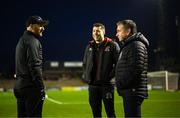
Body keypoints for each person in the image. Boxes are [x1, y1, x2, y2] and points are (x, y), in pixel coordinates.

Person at [14, 15, 49, 117]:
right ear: (32, 26)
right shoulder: (33, 41)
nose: (43, 28)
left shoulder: (22, 40)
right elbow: (35, 66)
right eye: (41, 25)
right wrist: (41, 88)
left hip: (20, 86)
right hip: (31, 88)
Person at [83, 23, 120, 118]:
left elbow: (119, 64)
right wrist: (86, 77)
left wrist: (109, 77)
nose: (95, 33)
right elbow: (85, 64)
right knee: (96, 113)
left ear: (103, 31)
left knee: (110, 113)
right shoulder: (89, 46)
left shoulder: (112, 45)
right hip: (93, 86)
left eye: (98, 31)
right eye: (94, 31)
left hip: (106, 86)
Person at [115, 20, 149, 118]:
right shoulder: (129, 45)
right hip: (130, 90)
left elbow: (135, 69)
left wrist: (121, 83)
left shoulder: (135, 45)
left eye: (119, 30)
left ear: (128, 31)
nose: (117, 34)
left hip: (133, 91)